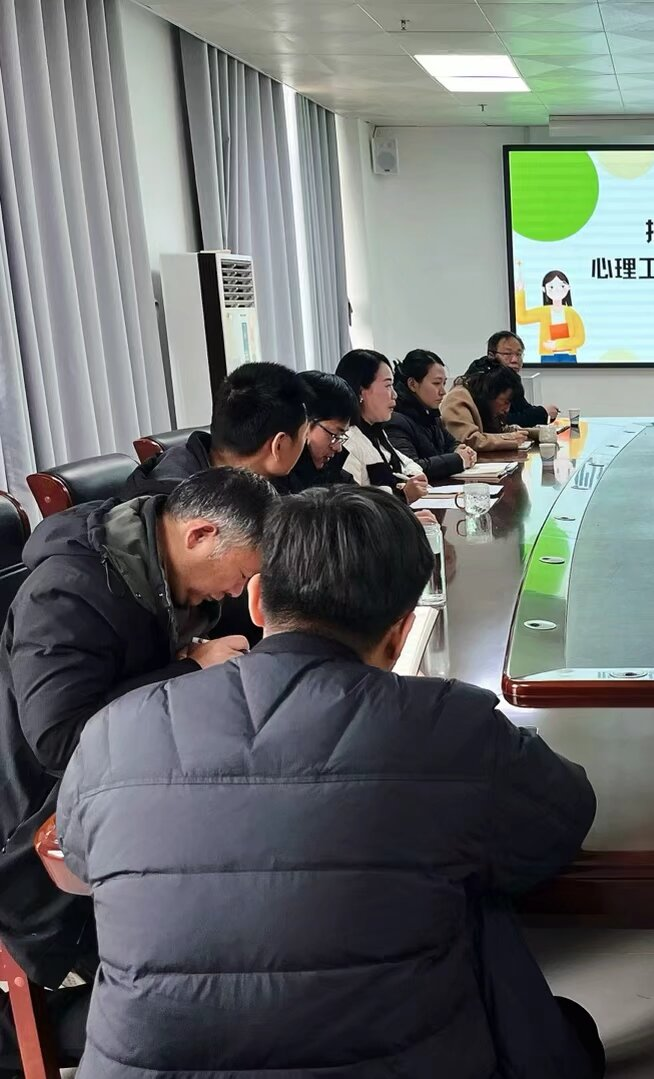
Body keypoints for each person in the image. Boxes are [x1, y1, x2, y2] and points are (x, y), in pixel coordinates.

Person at [57, 486, 604, 1076]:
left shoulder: (114, 728)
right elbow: (561, 820)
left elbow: (81, 860)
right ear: (400, 633)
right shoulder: (452, 726)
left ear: (257, 600)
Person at [0, 469, 274, 1022]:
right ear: (200, 535)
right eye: (243, 575)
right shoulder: (66, 592)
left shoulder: (165, 568)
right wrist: (189, 668)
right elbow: (59, 742)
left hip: (134, 776)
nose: (235, 592)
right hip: (45, 831)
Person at [119, 362, 312, 498]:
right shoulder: (182, 509)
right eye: (304, 437)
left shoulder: (251, 476)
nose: (306, 444)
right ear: (278, 446)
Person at [334, 349, 429, 504]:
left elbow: (407, 464)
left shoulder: (375, 432)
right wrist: (402, 494)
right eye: (387, 386)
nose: (394, 395)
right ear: (361, 391)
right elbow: (355, 502)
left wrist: (413, 478)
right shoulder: (347, 440)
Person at [388, 349, 479, 482]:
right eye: (436, 383)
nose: (443, 392)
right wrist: (458, 460)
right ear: (412, 384)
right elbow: (411, 470)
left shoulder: (431, 413)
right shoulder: (395, 420)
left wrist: (461, 450)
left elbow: (451, 443)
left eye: (444, 383)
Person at [288, 371, 359, 492]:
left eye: (341, 436)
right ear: (304, 423)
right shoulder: (278, 481)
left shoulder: (334, 471)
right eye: (334, 435)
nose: (338, 448)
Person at [441, 360, 531, 453]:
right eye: (505, 402)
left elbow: (499, 431)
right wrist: (511, 438)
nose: (507, 409)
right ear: (491, 393)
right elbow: (468, 440)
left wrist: (535, 433)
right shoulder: (457, 397)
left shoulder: (483, 404)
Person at [515, 260, 586, 363]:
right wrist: (520, 292)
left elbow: (580, 338)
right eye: (551, 287)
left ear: (568, 288)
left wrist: (558, 344)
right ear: (544, 289)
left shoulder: (572, 313)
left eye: (562, 286)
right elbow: (522, 318)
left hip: (568, 355)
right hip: (548, 355)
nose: (557, 290)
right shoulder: (544, 312)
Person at [487, 331, 557, 426]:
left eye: (519, 354)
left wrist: (545, 412)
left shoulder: (511, 379)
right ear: (491, 356)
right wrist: (543, 412)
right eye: (507, 354)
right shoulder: (485, 379)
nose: (515, 360)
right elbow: (502, 420)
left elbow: (523, 408)